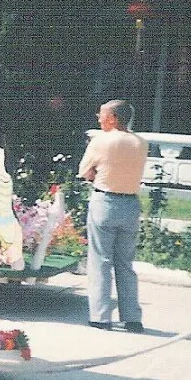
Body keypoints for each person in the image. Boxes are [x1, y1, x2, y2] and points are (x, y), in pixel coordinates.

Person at [78, 99, 149, 332]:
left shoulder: (102, 141)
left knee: (100, 261)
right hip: (130, 203)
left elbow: (85, 172)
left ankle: (100, 316)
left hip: (105, 200)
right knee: (125, 263)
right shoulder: (141, 142)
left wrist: (98, 173)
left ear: (113, 118)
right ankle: (132, 318)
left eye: (102, 115)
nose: (99, 119)